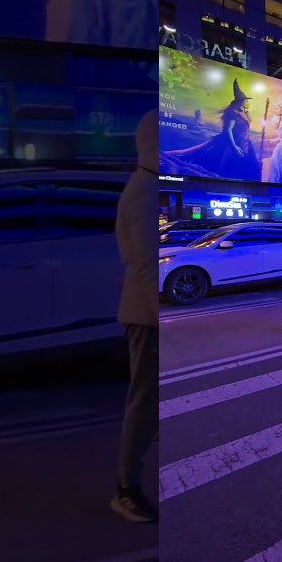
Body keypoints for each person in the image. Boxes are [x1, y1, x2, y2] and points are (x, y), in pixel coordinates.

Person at [111, 110, 159, 522]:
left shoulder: (147, 185)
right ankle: (127, 488)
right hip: (146, 317)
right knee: (144, 402)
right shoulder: (144, 190)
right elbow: (145, 264)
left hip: (145, 313)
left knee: (151, 401)